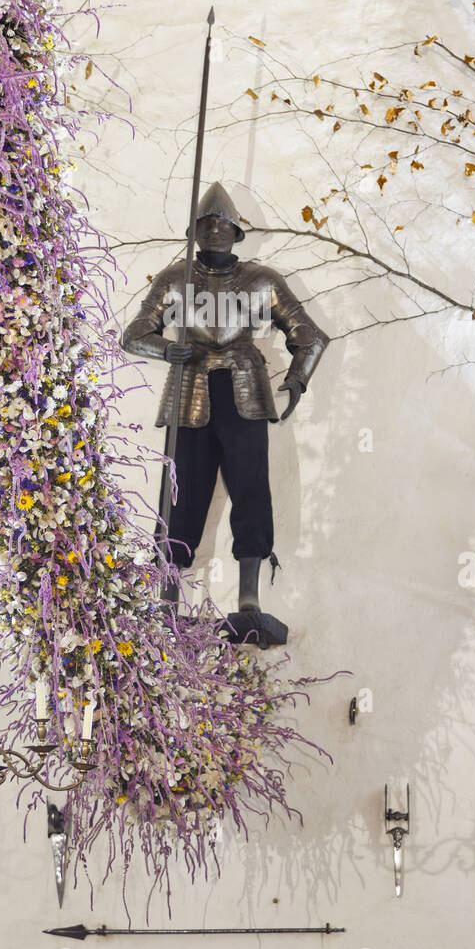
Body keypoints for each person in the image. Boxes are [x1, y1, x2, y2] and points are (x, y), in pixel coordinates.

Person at [122, 183, 328, 640]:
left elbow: (310, 336)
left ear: (236, 232)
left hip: (244, 388)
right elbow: (133, 333)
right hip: (189, 385)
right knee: (180, 496)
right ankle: (168, 596)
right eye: (207, 224)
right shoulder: (176, 278)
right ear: (195, 231)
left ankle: (249, 599)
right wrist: (164, 348)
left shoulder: (262, 280)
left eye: (223, 224)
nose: (215, 229)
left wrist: (295, 381)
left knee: (251, 491)